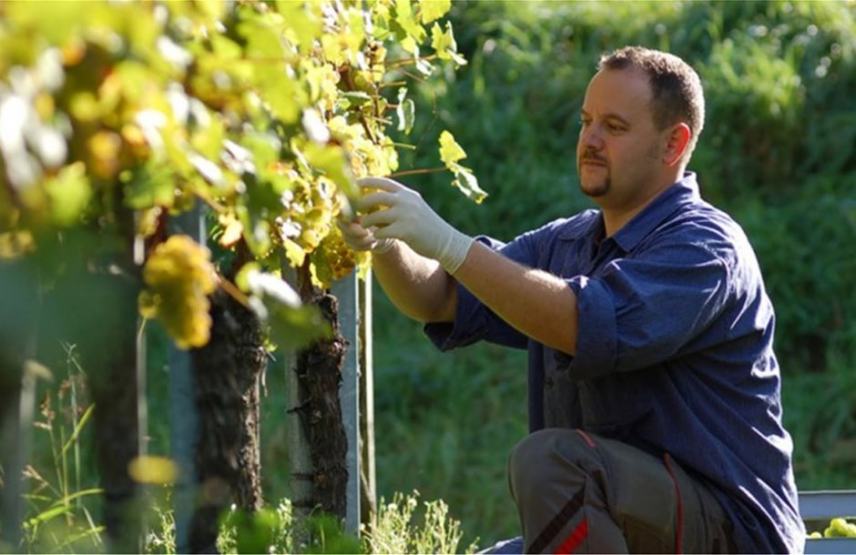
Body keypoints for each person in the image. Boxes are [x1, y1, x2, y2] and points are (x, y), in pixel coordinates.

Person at [339, 46, 804, 553]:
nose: (590, 140)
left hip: (734, 535)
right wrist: (386, 240)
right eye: (586, 122)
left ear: (674, 144)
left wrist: (451, 243)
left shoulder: (706, 247)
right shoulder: (569, 243)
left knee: (553, 462)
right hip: (631, 522)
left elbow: (585, 324)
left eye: (614, 127)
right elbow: (441, 297)